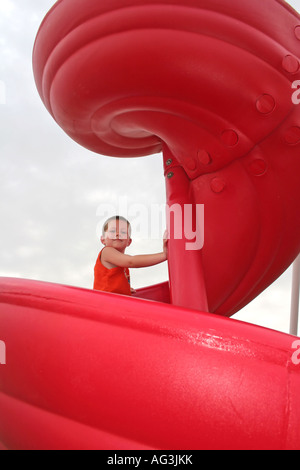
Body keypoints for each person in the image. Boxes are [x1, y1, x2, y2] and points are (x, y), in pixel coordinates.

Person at [93, 215, 168, 295]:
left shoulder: (123, 266)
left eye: (123, 232)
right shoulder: (107, 252)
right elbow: (131, 261)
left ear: (129, 241)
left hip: (116, 303)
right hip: (104, 303)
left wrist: (125, 289)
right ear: (103, 239)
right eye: (112, 231)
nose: (118, 234)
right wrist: (164, 255)